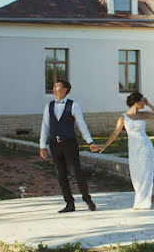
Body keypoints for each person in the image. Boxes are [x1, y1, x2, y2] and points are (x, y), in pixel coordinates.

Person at [39, 80, 99, 213]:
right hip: (54, 145)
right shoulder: (48, 106)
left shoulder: (73, 105)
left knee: (76, 172)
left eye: (57, 86)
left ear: (65, 89)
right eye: (54, 86)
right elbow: (45, 126)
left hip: (69, 144)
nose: (54, 88)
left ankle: (87, 198)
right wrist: (42, 145)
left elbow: (81, 124)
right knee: (61, 175)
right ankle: (69, 203)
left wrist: (90, 142)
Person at [99, 92, 154, 209]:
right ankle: (143, 196)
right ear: (136, 102)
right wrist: (104, 146)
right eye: (143, 101)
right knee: (137, 174)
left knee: (147, 172)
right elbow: (114, 134)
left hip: (145, 146)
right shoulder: (123, 117)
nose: (144, 103)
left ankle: (148, 197)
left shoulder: (142, 115)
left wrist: (149, 104)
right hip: (133, 149)